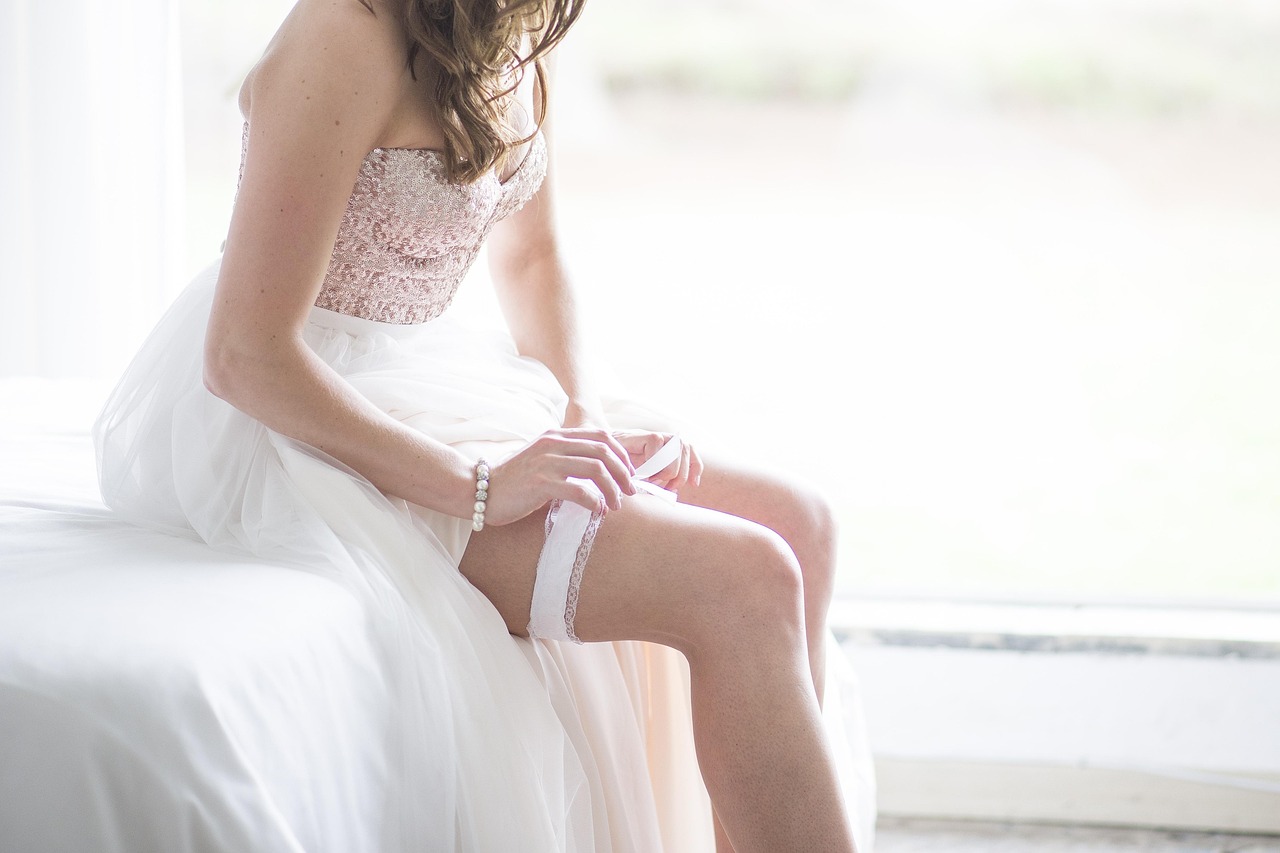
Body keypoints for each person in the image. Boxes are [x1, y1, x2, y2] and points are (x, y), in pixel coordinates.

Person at [95, 0, 874, 850]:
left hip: (431, 370)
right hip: (298, 416)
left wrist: (582, 413)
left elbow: (532, 257)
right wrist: (478, 485)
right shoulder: (345, 29)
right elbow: (245, 355)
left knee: (800, 524)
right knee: (746, 576)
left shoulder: (514, 23)